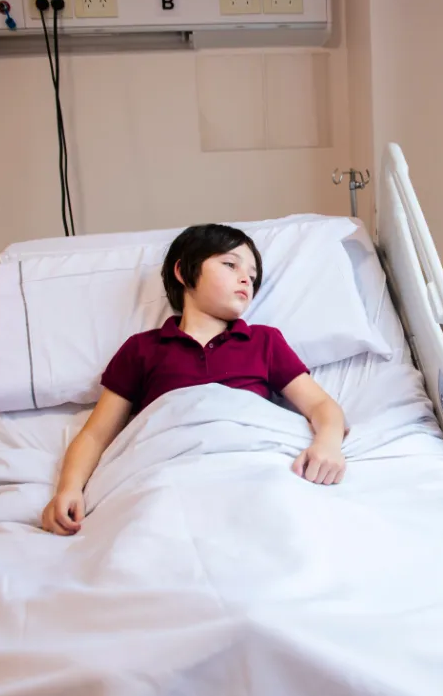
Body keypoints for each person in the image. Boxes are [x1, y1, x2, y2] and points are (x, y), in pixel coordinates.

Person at [41, 224, 347, 536]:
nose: (246, 279)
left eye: (253, 277)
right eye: (230, 265)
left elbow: (322, 405)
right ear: (183, 272)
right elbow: (95, 435)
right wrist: (68, 489)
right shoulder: (143, 349)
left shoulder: (263, 342)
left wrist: (328, 442)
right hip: (168, 476)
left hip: (250, 470)